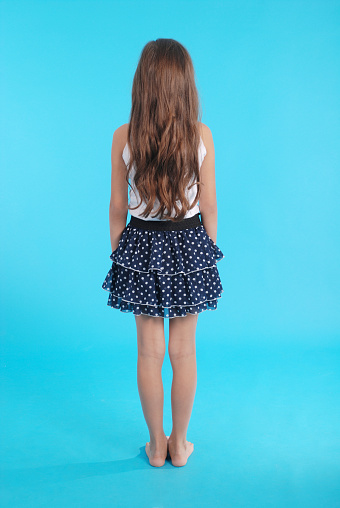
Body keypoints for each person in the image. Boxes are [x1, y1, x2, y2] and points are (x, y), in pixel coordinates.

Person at [102, 38, 225, 468]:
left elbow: (118, 209)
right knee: (184, 351)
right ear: (185, 86)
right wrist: (206, 250)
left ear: (143, 85)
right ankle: (180, 445)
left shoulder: (124, 136)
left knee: (148, 353)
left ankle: (156, 445)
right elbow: (209, 208)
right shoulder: (201, 135)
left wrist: (122, 254)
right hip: (189, 242)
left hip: (141, 243)